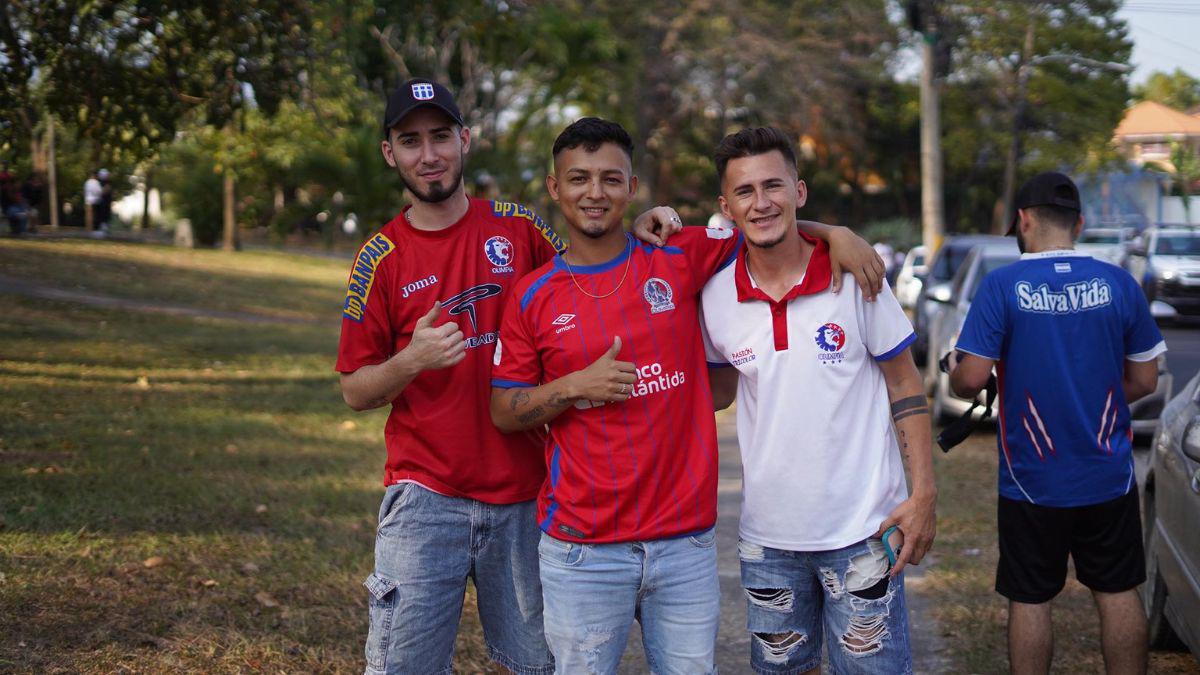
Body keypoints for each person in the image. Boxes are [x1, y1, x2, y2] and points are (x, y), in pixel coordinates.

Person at [335, 78, 743, 675]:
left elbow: (591, 258)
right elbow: (354, 390)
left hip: (527, 492)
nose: (429, 154)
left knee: (536, 664)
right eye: (410, 140)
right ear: (389, 152)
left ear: (464, 141)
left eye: (441, 137)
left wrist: (648, 227)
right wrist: (410, 360)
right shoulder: (379, 258)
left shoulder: (516, 227)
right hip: (426, 497)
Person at [489, 118, 884, 673]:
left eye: (610, 178)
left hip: (684, 548)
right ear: (555, 189)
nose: (594, 193)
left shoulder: (678, 255)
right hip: (582, 550)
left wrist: (833, 233)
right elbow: (504, 411)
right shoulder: (531, 295)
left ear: (633, 188)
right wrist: (573, 386)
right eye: (578, 179)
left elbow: (764, 223)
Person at [699, 127, 937, 674]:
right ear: (726, 206)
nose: (761, 203)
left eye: (773, 186)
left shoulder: (855, 278)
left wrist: (923, 494)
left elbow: (905, 384)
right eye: (744, 192)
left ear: (799, 191)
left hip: (864, 534)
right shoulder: (714, 297)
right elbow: (718, 391)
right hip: (767, 545)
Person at [948, 172, 1163, 675]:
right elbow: (1147, 378)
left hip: (1032, 479)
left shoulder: (1003, 284)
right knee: (1117, 590)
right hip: (1108, 473)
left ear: (1023, 220)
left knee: (1030, 597)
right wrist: (1095, 403)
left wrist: (956, 374)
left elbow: (971, 378)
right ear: (1080, 224)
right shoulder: (1119, 282)